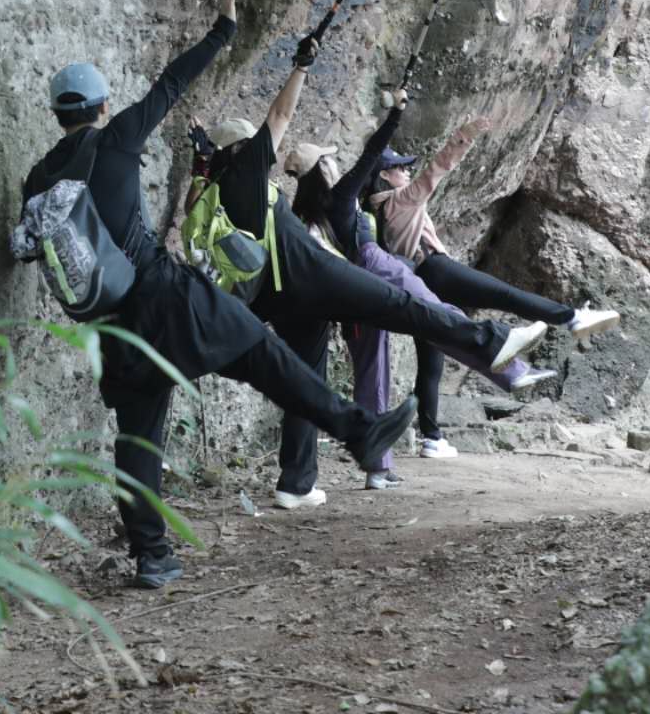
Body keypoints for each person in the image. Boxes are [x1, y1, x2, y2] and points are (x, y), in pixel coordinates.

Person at [22, 0, 415, 590]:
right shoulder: (117, 138)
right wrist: (224, 25)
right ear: (100, 108)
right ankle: (360, 432)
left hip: (111, 326)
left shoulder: (38, 180)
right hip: (166, 296)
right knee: (265, 355)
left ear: (56, 115)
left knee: (137, 438)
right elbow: (172, 83)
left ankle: (152, 557)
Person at [201, 47, 549, 509]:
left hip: (278, 299)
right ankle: (492, 340)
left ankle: (296, 482)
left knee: (304, 383)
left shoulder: (214, 193)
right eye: (252, 144)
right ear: (240, 151)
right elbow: (281, 114)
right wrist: (302, 67)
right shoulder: (248, 175)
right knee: (401, 307)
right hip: (315, 276)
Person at [286, 91, 552, 482]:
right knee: (439, 317)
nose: (336, 162)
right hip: (376, 268)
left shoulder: (306, 213)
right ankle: (507, 359)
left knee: (374, 375)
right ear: (322, 169)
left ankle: (378, 469)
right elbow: (370, 156)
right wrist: (396, 114)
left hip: (350, 294)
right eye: (329, 159)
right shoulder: (341, 197)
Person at [366, 117, 619, 459]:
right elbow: (435, 172)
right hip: (437, 270)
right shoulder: (399, 200)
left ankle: (432, 437)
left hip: (420, 283)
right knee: (503, 295)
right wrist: (463, 137)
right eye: (400, 168)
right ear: (384, 175)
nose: (407, 172)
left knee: (432, 360)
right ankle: (571, 318)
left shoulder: (377, 210)